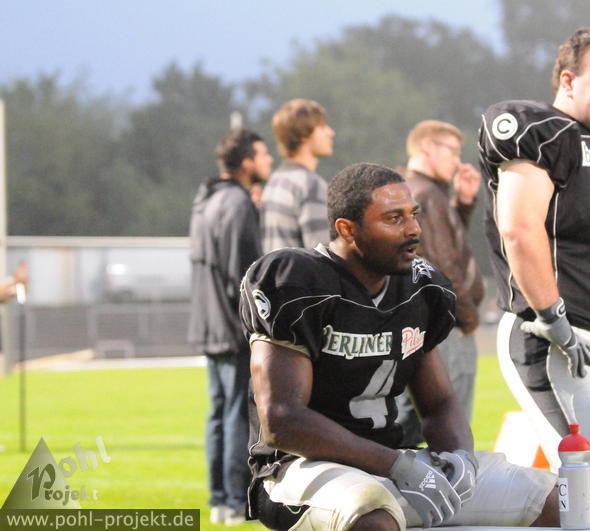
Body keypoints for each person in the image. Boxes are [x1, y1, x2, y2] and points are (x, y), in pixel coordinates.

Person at [239, 162, 559, 530]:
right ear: (347, 229)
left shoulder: (421, 289)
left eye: (413, 214)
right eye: (394, 218)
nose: (413, 229)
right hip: (299, 467)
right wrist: (396, 466)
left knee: (552, 500)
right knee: (372, 517)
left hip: (392, 462)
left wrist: (460, 459)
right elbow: (282, 421)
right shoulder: (296, 282)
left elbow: (439, 403)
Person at [477, 26, 590, 528]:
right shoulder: (541, 132)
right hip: (559, 339)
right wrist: (553, 317)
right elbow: (519, 229)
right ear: (568, 81)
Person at [188, 127, 273, 526]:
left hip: (207, 323)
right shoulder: (237, 203)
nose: (268, 161)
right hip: (231, 326)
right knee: (238, 413)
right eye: (263, 154)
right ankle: (238, 500)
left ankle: (219, 499)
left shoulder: (205, 200)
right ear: (246, 162)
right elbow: (244, 275)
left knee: (219, 413)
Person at [394, 120, 484, 447]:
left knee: (409, 427)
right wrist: (468, 319)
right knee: (451, 432)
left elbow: (444, 247)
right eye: (453, 151)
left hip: (422, 325)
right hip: (446, 328)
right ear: (428, 147)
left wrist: (463, 203)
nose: (458, 161)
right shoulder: (426, 195)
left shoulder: (413, 190)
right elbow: (444, 267)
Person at [260, 98, 335, 252]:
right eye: (322, 127)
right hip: (299, 269)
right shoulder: (310, 184)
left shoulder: (275, 181)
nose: (330, 132)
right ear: (303, 134)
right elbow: (320, 255)